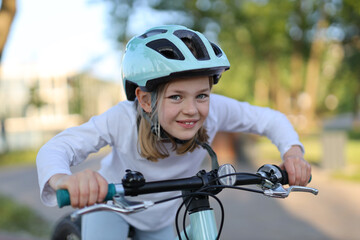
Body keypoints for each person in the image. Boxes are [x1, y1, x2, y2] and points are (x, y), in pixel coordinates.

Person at [36, 25, 311, 240]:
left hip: (161, 216)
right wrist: (64, 180)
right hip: (111, 205)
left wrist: (293, 153)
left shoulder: (214, 111)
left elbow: (269, 119)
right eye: (176, 97)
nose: (192, 109)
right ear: (145, 100)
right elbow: (57, 148)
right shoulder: (122, 119)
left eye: (201, 95)